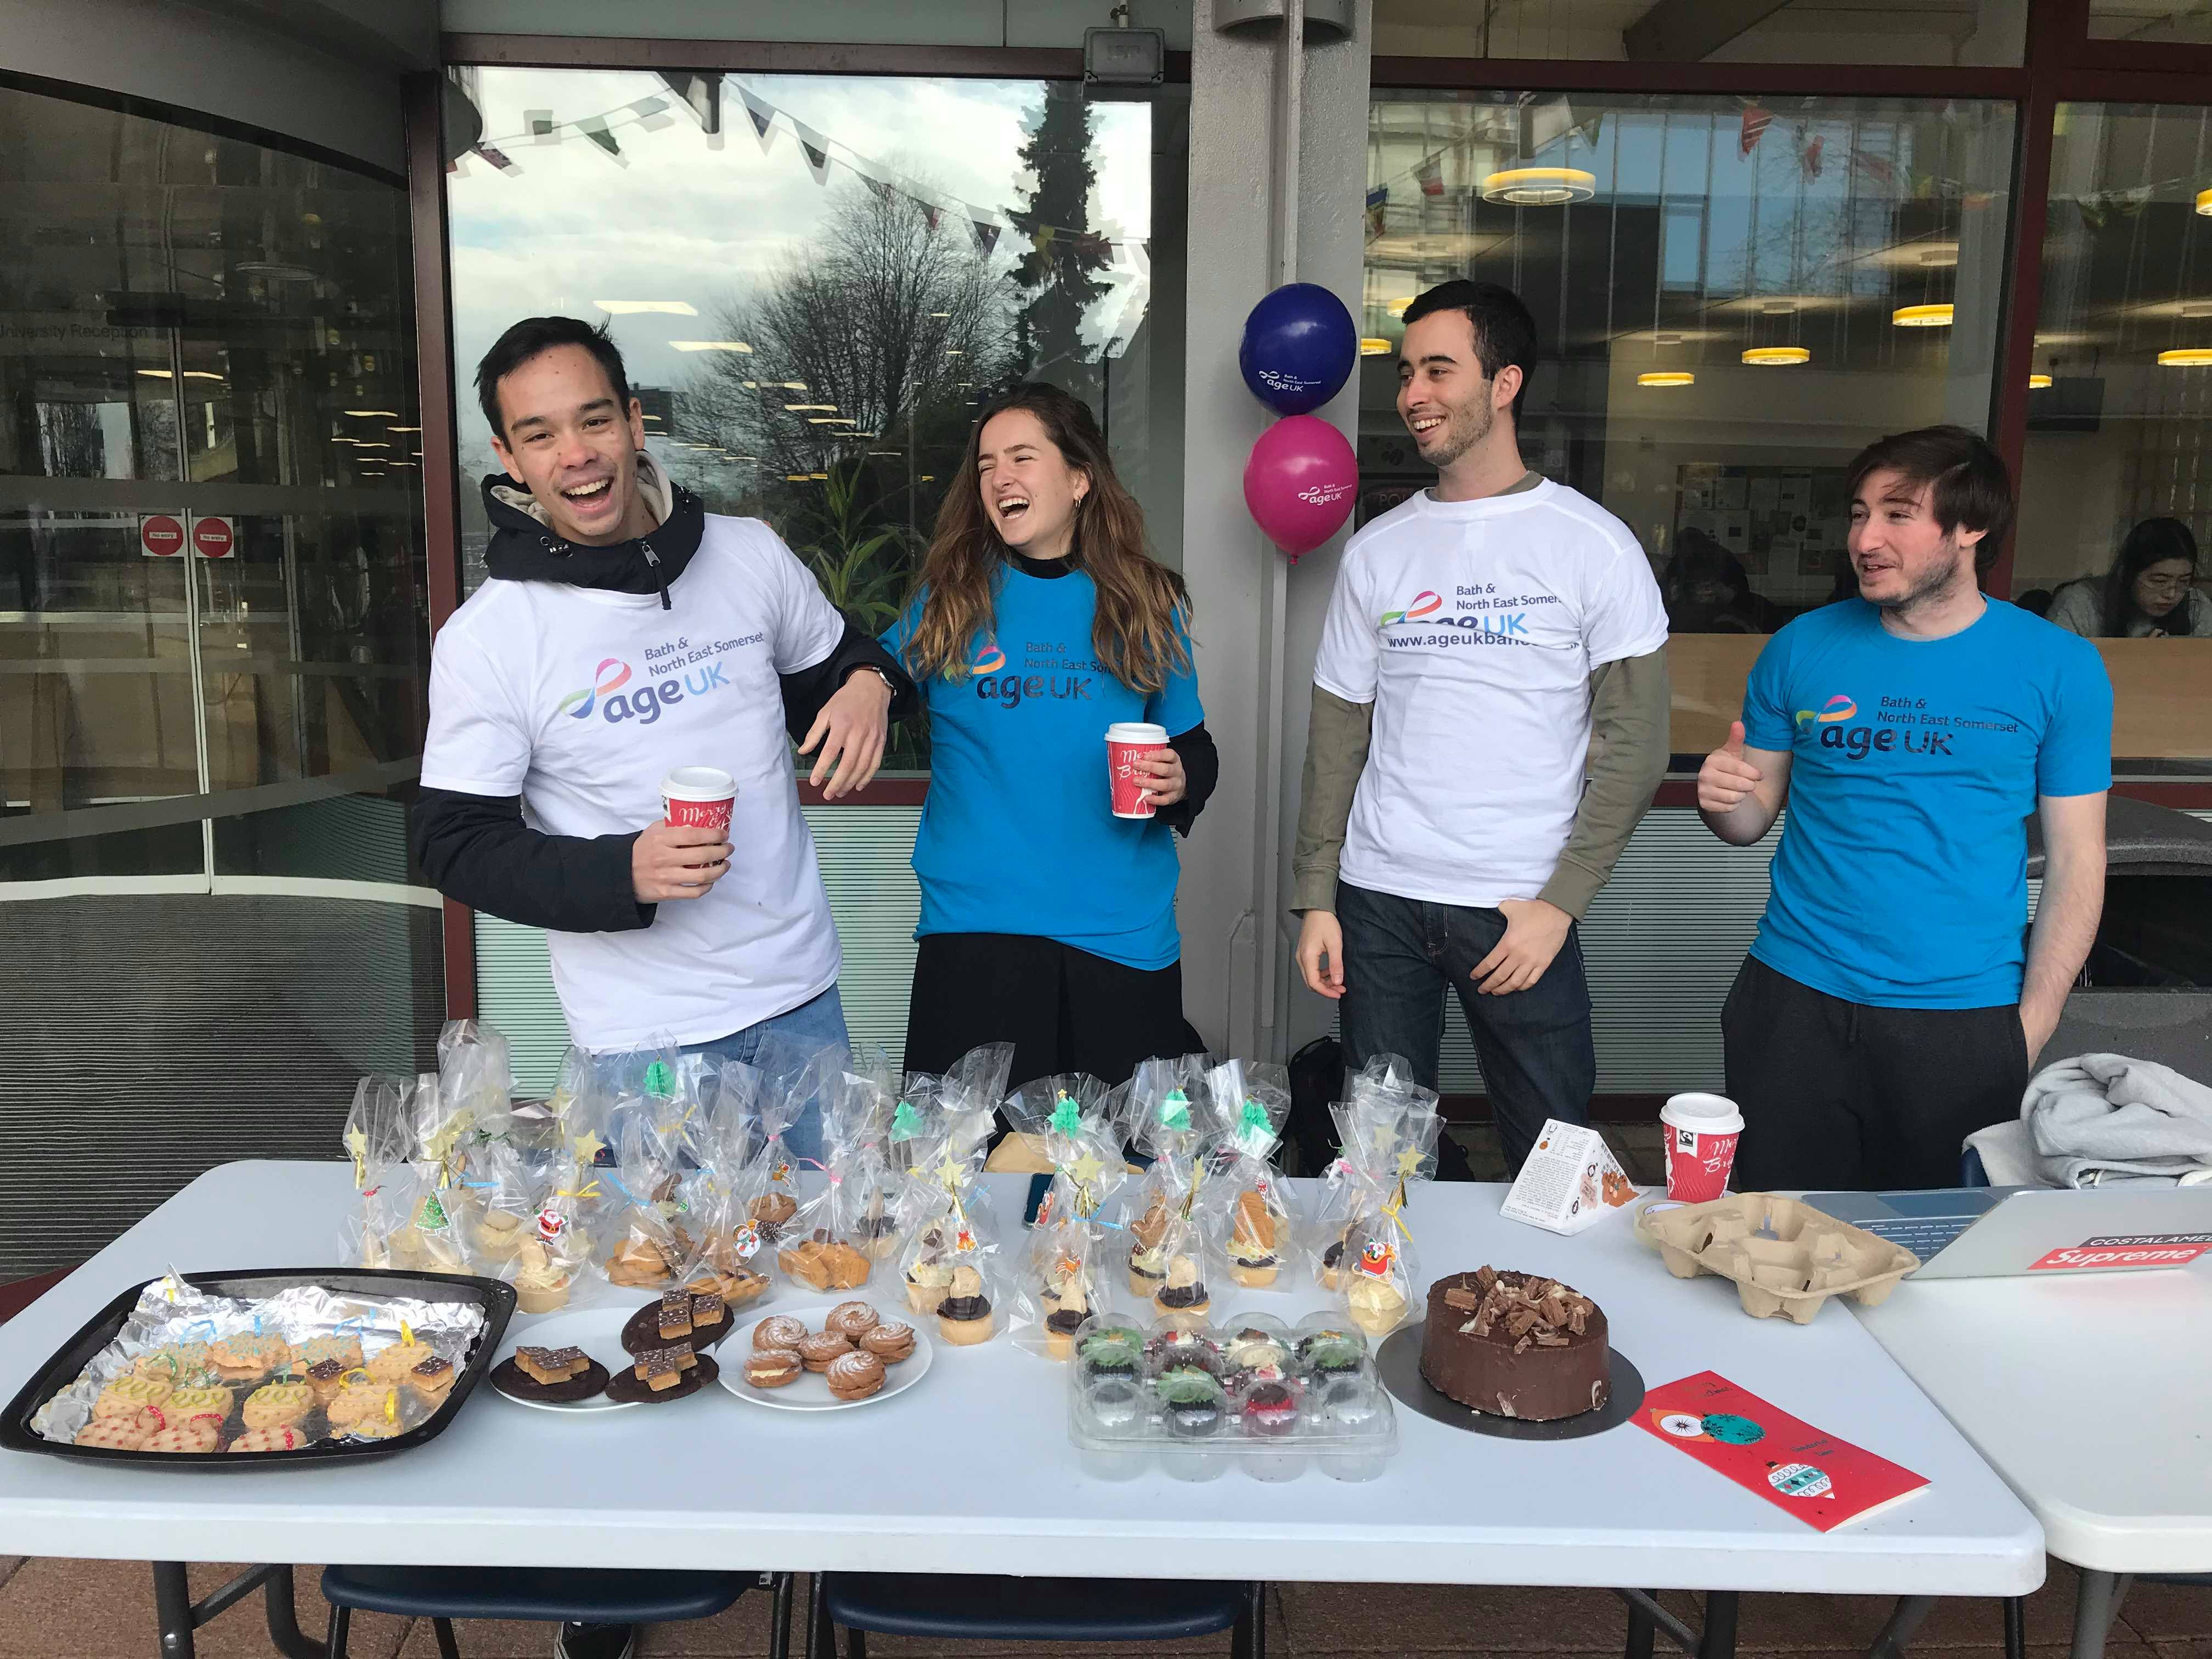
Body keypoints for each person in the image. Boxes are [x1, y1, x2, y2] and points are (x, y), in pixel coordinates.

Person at [414, 315, 913, 1155]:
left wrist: (873, 683)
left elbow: (838, 666)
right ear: (510, 460)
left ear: (635, 423)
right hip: (642, 1041)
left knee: (829, 1267)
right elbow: (454, 843)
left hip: (802, 1004)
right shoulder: (489, 636)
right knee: (673, 1281)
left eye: (594, 420)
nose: (575, 453)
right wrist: (624, 870)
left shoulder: (748, 555)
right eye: (540, 436)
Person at [1292, 280, 1671, 1173]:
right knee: (1382, 1160)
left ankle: (1544, 1314)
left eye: (1437, 370)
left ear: (1503, 383)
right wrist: (1316, 893)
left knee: (1554, 1160)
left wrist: (1560, 903)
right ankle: (1401, 1310)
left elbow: (1636, 743)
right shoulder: (1378, 549)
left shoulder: (1591, 543)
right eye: (1405, 373)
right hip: (1378, 898)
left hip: (1518, 904)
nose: (1412, 394)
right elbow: (1337, 734)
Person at [1697, 425, 2113, 1192]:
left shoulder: (2058, 667)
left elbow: (2079, 859)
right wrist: (1721, 798)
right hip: (1794, 1000)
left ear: (1971, 527)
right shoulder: (1802, 647)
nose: (1866, 538)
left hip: (1962, 1015)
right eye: (1858, 514)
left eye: (1897, 514)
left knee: (1932, 1257)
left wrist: (2031, 1025)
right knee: (1774, 1240)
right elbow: (1748, 820)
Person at [885, 382, 1216, 1087]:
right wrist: (855, 689)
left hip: (1122, 934)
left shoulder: (1146, 600)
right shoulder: (950, 598)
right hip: (977, 932)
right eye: (985, 465)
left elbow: (1193, 745)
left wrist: (1181, 778)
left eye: (1022, 457)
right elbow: (875, 682)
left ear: (1079, 479)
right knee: (965, 1174)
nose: (999, 477)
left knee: (1118, 1182)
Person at [2046, 516, 2211, 638]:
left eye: (2183, 581)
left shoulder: (2195, 605)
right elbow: (2051, 669)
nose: (2171, 594)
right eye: (2159, 581)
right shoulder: (2082, 603)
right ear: (2126, 573)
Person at [1660, 528, 1782, 634]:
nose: (1705, 592)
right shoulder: (1679, 564)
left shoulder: (1746, 615)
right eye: (1699, 586)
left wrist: (1727, 595)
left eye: (1708, 586)